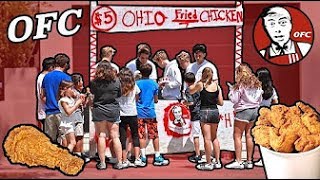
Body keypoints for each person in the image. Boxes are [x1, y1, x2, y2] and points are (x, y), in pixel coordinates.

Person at [225, 63, 264, 169]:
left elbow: (234, 100)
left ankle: (238, 161)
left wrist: (231, 91)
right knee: (249, 135)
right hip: (254, 110)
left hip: (243, 110)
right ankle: (249, 161)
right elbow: (260, 98)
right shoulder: (257, 84)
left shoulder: (240, 85)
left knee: (237, 136)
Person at [188, 67, 224, 171]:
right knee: (214, 138)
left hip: (204, 111)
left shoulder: (201, 84)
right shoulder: (217, 86)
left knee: (207, 139)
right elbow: (221, 102)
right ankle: (217, 161)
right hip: (215, 111)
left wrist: (197, 83)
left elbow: (191, 91)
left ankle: (208, 162)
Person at [90, 61, 123, 170]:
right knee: (115, 136)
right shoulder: (116, 81)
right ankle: (119, 162)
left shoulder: (94, 82)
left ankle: (102, 162)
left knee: (101, 135)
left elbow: (93, 94)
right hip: (113, 109)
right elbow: (119, 94)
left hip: (99, 109)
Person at [136, 63, 169, 166]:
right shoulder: (154, 84)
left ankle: (143, 156)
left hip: (139, 112)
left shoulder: (137, 83)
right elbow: (155, 100)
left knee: (141, 135)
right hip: (150, 112)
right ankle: (157, 156)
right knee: (154, 135)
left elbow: (136, 98)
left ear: (140, 72)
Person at [118, 68, 146, 168]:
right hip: (132, 113)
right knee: (135, 135)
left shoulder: (118, 86)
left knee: (123, 137)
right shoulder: (134, 86)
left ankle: (124, 160)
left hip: (121, 113)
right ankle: (137, 159)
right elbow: (138, 97)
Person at [41, 53, 72, 143]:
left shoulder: (46, 77)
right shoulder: (66, 78)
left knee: (50, 141)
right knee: (64, 138)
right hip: (62, 113)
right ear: (65, 64)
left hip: (49, 112)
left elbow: (42, 96)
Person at [254, 68, 279, 167]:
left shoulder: (256, 89)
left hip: (257, 114)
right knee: (267, 138)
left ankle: (261, 159)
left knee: (259, 138)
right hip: (267, 115)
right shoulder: (272, 89)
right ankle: (266, 158)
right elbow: (275, 102)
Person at [58, 80, 85, 153]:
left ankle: (65, 157)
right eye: (71, 88)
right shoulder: (63, 100)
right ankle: (65, 157)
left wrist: (80, 102)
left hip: (70, 123)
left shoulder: (70, 99)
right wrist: (77, 104)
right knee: (72, 142)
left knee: (69, 142)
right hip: (66, 124)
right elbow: (68, 112)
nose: (73, 91)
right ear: (65, 89)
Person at [182, 72, 202, 163]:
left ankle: (198, 155)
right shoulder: (199, 87)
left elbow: (191, 102)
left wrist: (184, 103)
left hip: (195, 113)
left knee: (196, 135)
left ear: (186, 81)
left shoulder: (188, 90)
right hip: (203, 111)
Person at [71, 73, 91, 163]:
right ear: (77, 83)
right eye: (81, 81)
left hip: (73, 117)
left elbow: (84, 104)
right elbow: (82, 104)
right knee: (79, 136)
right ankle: (78, 155)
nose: (82, 83)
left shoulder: (73, 92)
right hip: (77, 117)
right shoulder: (76, 93)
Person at [36, 57, 55, 130]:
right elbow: (43, 96)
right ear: (50, 67)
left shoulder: (41, 77)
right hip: (46, 113)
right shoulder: (44, 78)